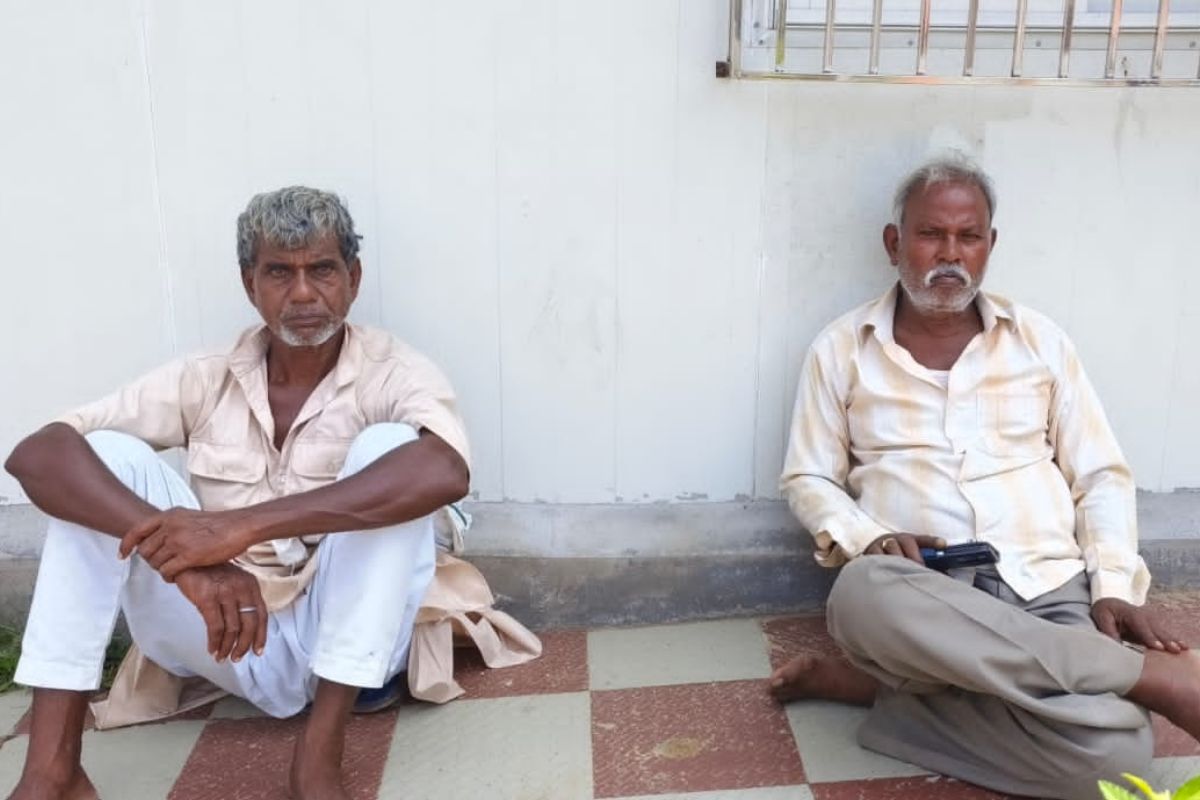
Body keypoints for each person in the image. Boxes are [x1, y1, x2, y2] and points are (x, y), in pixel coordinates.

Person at [4, 186, 472, 800]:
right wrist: (198, 565)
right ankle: (53, 771)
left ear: (353, 279)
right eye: (279, 272)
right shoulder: (207, 375)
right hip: (226, 629)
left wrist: (240, 527)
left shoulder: (394, 373)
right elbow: (36, 454)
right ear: (250, 284)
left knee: (394, 452)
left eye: (322, 270)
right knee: (103, 456)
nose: (302, 294)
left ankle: (318, 759)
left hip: (349, 645)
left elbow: (444, 471)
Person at [770, 155, 1200, 800]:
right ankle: (1149, 677)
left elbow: (1101, 474)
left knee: (1115, 759)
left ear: (989, 246)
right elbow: (809, 476)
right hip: (923, 592)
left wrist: (1112, 584)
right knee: (860, 591)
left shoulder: (1040, 341)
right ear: (894, 244)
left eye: (968, 237)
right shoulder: (840, 349)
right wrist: (865, 538)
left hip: (1046, 585)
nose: (950, 254)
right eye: (930, 234)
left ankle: (890, 694)